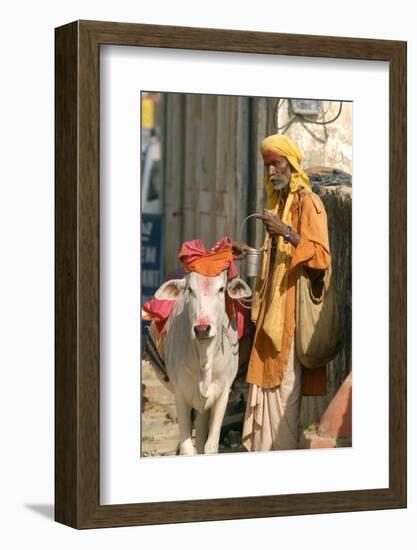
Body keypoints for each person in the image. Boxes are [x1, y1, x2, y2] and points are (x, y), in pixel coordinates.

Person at [233, 134, 331, 451]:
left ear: (290, 163)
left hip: (290, 320)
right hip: (269, 318)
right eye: (268, 166)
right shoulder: (278, 206)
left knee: (284, 398)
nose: (272, 171)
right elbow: (275, 262)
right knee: (266, 392)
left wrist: (287, 233)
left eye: (277, 163)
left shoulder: (309, 203)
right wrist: (248, 251)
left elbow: (321, 258)